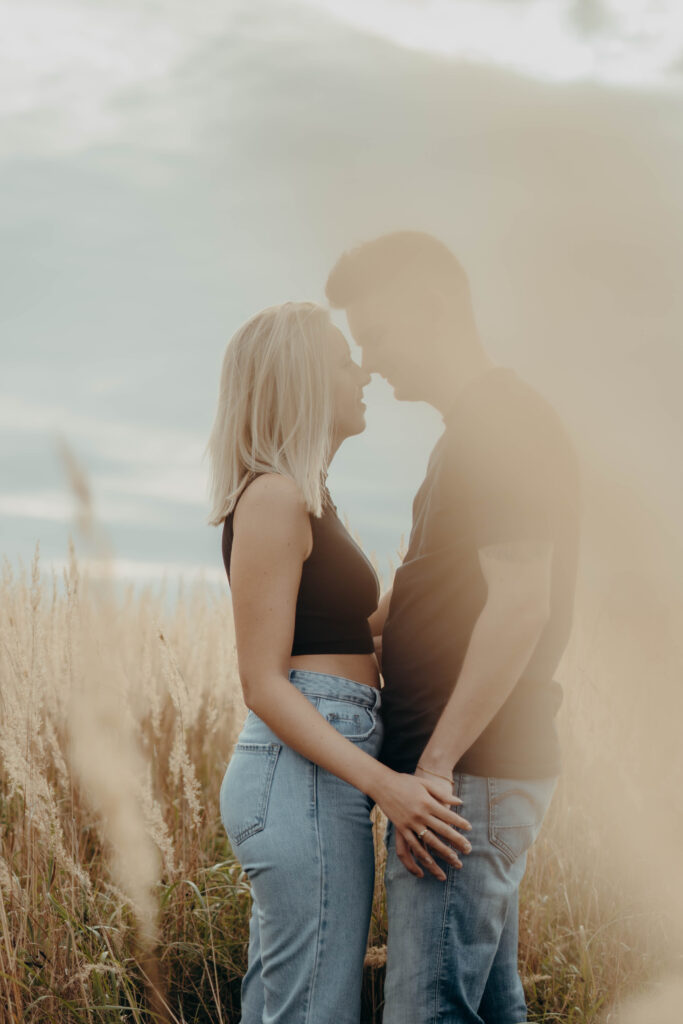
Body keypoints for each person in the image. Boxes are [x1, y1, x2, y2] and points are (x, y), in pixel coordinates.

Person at [326, 234, 580, 1024]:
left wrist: (432, 769)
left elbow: (519, 604)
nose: (367, 361)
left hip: (463, 780)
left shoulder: (504, 425)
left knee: (424, 1013)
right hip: (468, 778)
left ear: (430, 310)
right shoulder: (468, 433)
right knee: (483, 1009)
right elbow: (440, 604)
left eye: (375, 334)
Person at [205, 301, 472, 1024]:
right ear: (300, 379)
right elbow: (262, 682)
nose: (364, 374)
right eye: (342, 360)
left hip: (319, 765)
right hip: (304, 772)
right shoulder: (273, 496)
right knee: (312, 1011)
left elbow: (348, 631)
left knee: (293, 1005)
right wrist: (386, 784)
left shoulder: (311, 496)